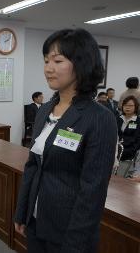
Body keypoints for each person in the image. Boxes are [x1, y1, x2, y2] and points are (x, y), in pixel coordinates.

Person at [14, 29, 117, 253]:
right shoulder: (45, 111)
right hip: (36, 222)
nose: (48, 68)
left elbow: (93, 190)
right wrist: (22, 212)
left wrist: (75, 244)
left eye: (58, 60)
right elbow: (33, 165)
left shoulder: (99, 118)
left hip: (69, 234)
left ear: (82, 64)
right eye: (46, 60)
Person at [117, 96, 140, 161]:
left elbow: (138, 141)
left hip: (130, 154)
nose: (127, 107)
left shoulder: (138, 121)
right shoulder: (118, 119)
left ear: (136, 107)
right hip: (114, 151)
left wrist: (128, 151)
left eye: (130, 105)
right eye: (125, 105)